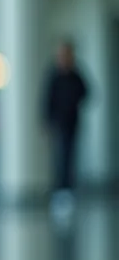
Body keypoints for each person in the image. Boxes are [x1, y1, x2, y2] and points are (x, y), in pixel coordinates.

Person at [43, 41, 88, 199]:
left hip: (72, 122)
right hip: (58, 123)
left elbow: (86, 92)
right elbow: (47, 99)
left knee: (70, 156)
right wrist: (48, 120)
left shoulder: (76, 75)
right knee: (59, 157)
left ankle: (68, 189)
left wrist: (73, 103)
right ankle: (59, 189)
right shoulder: (54, 75)